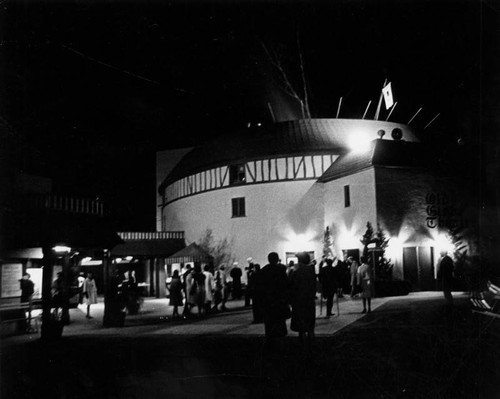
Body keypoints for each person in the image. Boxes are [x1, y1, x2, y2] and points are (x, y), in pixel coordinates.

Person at [257, 252, 289, 345]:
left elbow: (260, 287)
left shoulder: (263, 271)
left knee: (269, 324)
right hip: (279, 301)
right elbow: (285, 286)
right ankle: (281, 342)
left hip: (268, 302)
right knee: (280, 323)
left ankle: (270, 342)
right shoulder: (281, 271)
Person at [290, 252, 317, 344]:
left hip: (298, 299)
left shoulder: (295, 270)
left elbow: (292, 285)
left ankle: (302, 337)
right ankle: (311, 335)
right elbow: (314, 284)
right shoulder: (310, 270)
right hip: (308, 299)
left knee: (300, 320)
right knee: (309, 319)